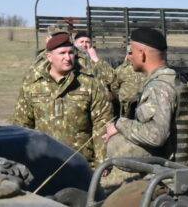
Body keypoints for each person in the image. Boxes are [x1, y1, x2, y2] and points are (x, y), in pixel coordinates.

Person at [11, 32, 113, 167]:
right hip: (43, 160)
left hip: (81, 162)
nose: (68, 58)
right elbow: (22, 123)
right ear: (49, 57)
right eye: (62, 53)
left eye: (71, 52)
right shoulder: (33, 85)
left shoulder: (90, 84)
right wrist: (20, 156)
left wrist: (102, 160)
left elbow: (102, 123)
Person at [102, 28, 179, 162]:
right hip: (180, 168)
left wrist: (119, 125)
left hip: (170, 173)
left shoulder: (159, 86)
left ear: (142, 54)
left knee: (116, 144)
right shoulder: (174, 78)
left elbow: (156, 135)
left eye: (132, 52)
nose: (130, 57)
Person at [110, 44, 147, 117]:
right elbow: (114, 87)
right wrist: (124, 96)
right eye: (130, 53)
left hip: (144, 106)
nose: (132, 56)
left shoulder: (146, 69)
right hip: (126, 108)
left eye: (135, 53)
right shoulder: (121, 70)